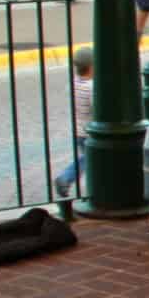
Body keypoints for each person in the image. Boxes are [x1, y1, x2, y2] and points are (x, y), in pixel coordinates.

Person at [54, 46, 93, 197]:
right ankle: (65, 178)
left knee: (89, 160)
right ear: (91, 67)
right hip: (88, 132)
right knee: (89, 160)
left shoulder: (75, 83)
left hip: (78, 130)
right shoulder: (91, 87)